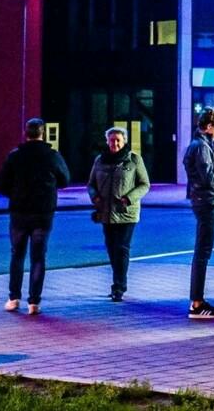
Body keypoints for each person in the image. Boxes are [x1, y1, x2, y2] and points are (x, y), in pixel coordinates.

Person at [0, 117, 70, 316]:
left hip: (19, 212)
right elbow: (65, 180)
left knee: (17, 255)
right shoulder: (52, 156)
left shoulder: (15, 156)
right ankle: (34, 303)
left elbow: (2, 183)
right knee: (38, 257)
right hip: (43, 213)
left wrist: (16, 193)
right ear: (42, 133)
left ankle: (13, 298)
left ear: (25, 133)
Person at [87, 128, 150, 302]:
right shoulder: (100, 160)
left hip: (126, 213)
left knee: (122, 249)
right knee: (111, 248)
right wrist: (94, 196)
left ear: (124, 142)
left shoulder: (134, 160)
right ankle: (118, 282)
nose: (114, 144)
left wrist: (129, 198)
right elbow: (91, 184)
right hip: (106, 213)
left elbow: (144, 184)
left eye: (118, 141)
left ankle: (119, 287)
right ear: (107, 141)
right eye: (111, 140)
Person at [184, 108, 214, 320]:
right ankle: (197, 303)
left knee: (202, 252)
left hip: (201, 200)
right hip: (206, 202)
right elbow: (209, 177)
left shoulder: (197, 145)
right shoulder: (202, 147)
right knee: (203, 253)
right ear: (210, 126)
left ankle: (197, 301)